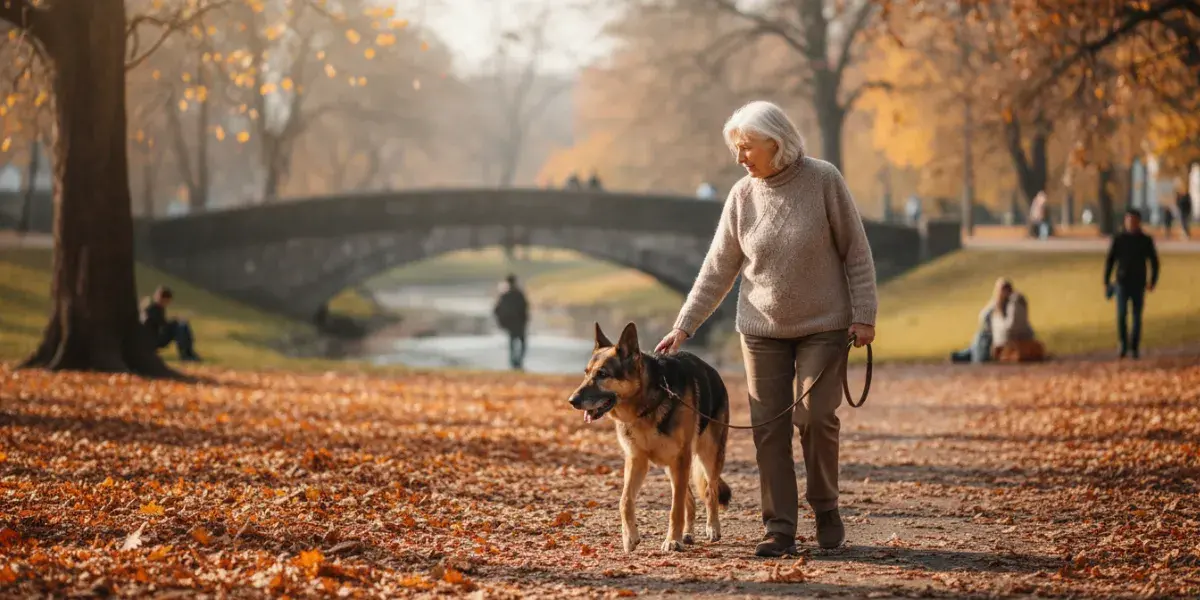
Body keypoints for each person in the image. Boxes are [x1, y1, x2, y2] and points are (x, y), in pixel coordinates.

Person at [654, 100, 878, 557]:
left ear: (777, 141)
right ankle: (779, 527)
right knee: (767, 429)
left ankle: (826, 506)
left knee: (815, 416)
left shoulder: (823, 180)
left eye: (746, 146)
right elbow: (718, 268)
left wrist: (865, 315)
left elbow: (857, 251)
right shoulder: (741, 196)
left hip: (825, 324)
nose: (739, 157)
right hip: (760, 329)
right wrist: (684, 326)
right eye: (736, 148)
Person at [1105, 208, 1160, 359]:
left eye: (1133, 221)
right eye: (1128, 220)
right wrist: (1106, 280)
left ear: (1138, 222)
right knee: (1122, 315)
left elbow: (1154, 262)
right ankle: (1123, 344)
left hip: (1138, 282)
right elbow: (1111, 260)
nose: (1131, 223)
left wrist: (1152, 281)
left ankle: (1134, 347)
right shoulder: (1119, 239)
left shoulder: (1145, 240)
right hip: (1122, 282)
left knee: (1136, 316)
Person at [986, 278, 1044, 362]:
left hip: (1010, 343)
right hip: (1007, 342)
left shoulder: (1015, 301)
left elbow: (1012, 327)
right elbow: (984, 318)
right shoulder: (999, 304)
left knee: (980, 342)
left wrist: (998, 316)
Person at [140, 285, 201, 362]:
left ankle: (188, 353)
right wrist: (175, 321)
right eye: (167, 301)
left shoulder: (153, 306)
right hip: (151, 341)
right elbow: (160, 324)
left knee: (181, 325)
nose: (167, 303)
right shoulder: (151, 308)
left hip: (152, 339)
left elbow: (160, 322)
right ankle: (186, 355)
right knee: (181, 326)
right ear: (163, 299)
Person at [492, 274, 530, 370]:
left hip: (512, 324)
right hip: (519, 323)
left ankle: (514, 362)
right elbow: (525, 308)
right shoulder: (518, 294)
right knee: (521, 343)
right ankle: (517, 362)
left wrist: (502, 322)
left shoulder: (505, 295)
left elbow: (496, 310)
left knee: (513, 343)